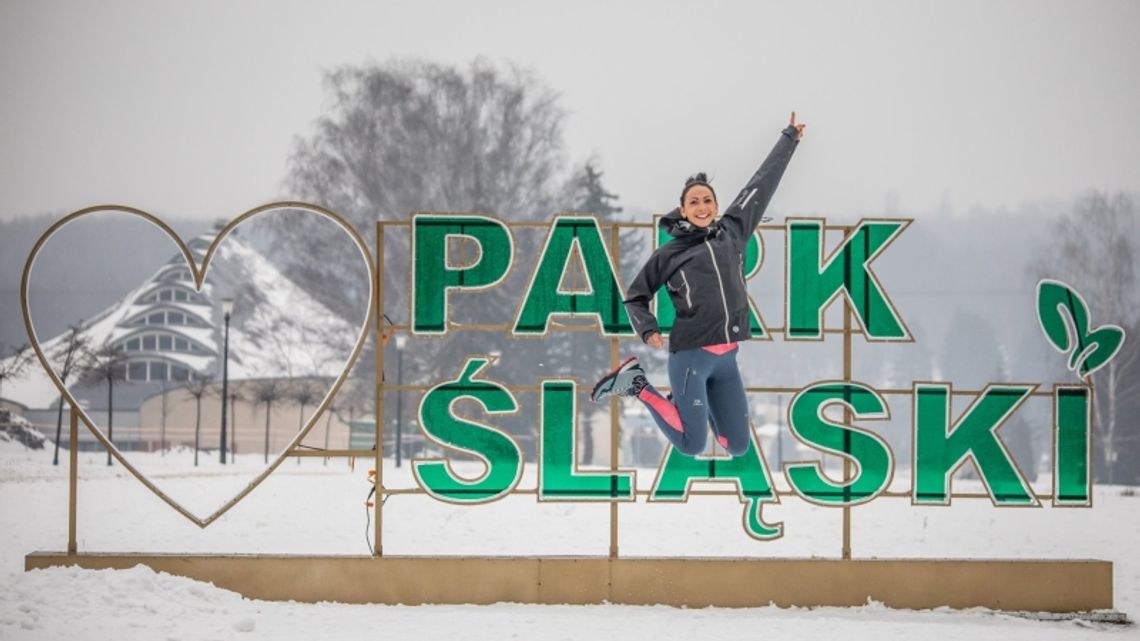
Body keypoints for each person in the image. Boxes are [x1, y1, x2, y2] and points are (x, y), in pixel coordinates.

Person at [591, 112, 805, 457]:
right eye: (694, 202)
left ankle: (684, 400)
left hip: (727, 359)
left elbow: (760, 185)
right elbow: (636, 296)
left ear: (717, 206)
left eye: (707, 201)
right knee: (693, 444)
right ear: (683, 210)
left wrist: (789, 138)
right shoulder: (671, 253)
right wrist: (648, 329)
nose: (702, 207)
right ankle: (636, 384)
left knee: (736, 445)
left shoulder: (733, 231)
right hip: (690, 355)